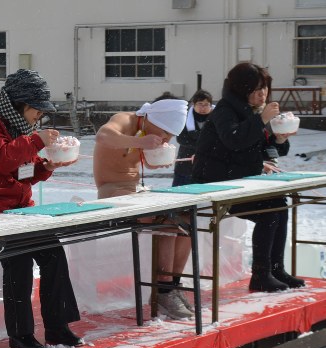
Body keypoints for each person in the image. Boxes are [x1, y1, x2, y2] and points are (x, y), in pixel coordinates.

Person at [0, 69, 82, 348]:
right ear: (21, 103)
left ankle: (57, 327)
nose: (39, 117)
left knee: (53, 253)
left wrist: (45, 167)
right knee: (19, 259)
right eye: (37, 110)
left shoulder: (17, 125)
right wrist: (37, 141)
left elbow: (22, 172)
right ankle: (21, 335)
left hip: (15, 210)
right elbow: (1, 159)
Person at [193, 62, 304, 292]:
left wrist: (280, 138)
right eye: (256, 89)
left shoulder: (251, 111)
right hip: (216, 183)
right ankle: (261, 275)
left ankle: (275, 269)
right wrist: (261, 119)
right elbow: (235, 139)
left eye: (264, 87)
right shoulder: (225, 110)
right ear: (242, 89)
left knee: (279, 206)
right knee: (269, 212)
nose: (262, 93)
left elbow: (263, 148)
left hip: (238, 181)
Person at [93, 94, 193, 319]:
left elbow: (146, 161)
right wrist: (140, 142)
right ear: (152, 119)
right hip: (111, 190)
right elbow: (102, 136)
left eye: (170, 135)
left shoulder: (147, 131)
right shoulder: (125, 120)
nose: (166, 138)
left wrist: (159, 157)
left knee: (186, 219)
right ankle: (163, 289)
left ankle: (173, 284)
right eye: (164, 132)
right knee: (166, 221)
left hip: (135, 189)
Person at [173, 89, 214, 187]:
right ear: (194, 104)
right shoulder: (185, 117)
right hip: (186, 163)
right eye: (200, 104)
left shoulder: (217, 118)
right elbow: (181, 138)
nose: (203, 107)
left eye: (206, 104)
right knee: (181, 192)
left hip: (209, 165)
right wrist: (202, 145)